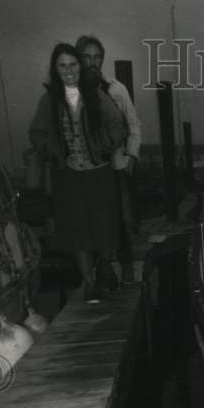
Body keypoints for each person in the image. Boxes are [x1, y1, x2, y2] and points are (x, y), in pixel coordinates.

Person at [29, 43, 127, 304]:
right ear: (55, 69)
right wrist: (53, 151)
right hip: (69, 176)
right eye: (62, 66)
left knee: (104, 228)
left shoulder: (95, 95)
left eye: (73, 65)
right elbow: (36, 134)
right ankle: (91, 282)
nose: (68, 70)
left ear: (80, 67)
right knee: (79, 233)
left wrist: (106, 148)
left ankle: (106, 268)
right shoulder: (48, 100)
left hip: (99, 173)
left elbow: (118, 125)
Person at [75, 35, 142, 284]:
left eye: (97, 57)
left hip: (115, 166)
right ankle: (100, 272)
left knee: (123, 220)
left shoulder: (116, 88)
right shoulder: (72, 92)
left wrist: (131, 158)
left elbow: (134, 124)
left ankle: (127, 271)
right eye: (87, 57)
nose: (93, 62)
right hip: (85, 170)